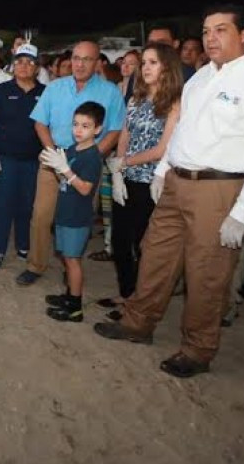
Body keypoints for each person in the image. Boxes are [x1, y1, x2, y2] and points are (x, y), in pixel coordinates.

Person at [94, 3, 244, 378]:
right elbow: (182, 132)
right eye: (205, 31)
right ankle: (138, 323)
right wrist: (163, 172)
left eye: (220, 30)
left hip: (219, 189)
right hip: (175, 183)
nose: (211, 38)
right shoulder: (200, 78)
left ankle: (198, 349)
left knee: (207, 272)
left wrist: (241, 214)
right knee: (155, 254)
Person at [15, 41, 125, 286]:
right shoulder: (55, 87)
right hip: (54, 160)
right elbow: (40, 123)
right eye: (76, 58)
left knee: (77, 219)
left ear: (97, 63)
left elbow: (115, 130)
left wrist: (93, 156)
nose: (79, 64)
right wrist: (53, 153)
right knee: (41, 216)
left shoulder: (110, 92)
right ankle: (36, 264)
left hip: (86, 164)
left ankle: (71, 264)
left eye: (87, 59)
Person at [104, 44, 183, 315]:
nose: (146, 68)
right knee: (119, 241)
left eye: (153, 62)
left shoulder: (174, 103)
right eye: (144, 63)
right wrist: (118, 170)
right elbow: (125, 134)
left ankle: (140, 302)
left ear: (167, 67)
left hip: (152, 183)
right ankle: (126, 294)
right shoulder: (136, 99)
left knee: (143, 244)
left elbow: (163, 149)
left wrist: (123, 162)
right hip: (126, 179)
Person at [39, 102, 106, 322]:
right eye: (76, 124)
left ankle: (75, 308)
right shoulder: (72, 149)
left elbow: (85, 188)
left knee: (72, 260)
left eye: (85, 126)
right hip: (65, 210)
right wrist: (56, 167)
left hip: (77, 217)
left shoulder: (92, 157)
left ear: (97, 129)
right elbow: (64, 181)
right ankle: (69, 296)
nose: (78, 130)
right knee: (66, 257)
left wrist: (65, 169)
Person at [0, 44, 45, 268]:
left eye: (30, 62)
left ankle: (23, 244)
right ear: (13, 65)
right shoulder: (2, 90)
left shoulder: (45, 92)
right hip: (6, 159)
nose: (24, 66)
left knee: (27, 204)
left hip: (34, 160)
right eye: (19, 61)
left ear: (37, 68)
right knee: (3, 203)